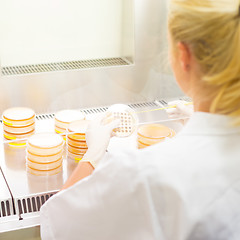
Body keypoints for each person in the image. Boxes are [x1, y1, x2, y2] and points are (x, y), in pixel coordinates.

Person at [40, 0, 240, 239]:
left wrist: (91, 157)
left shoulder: (142, 174)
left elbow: (60, 227)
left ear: (184, 55)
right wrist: (200, 121)